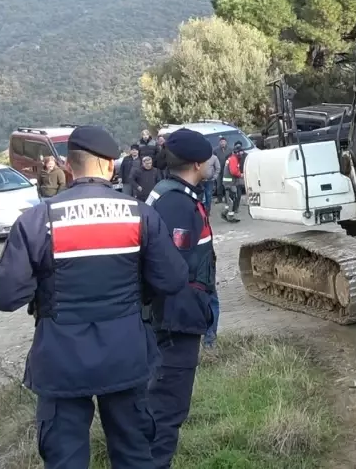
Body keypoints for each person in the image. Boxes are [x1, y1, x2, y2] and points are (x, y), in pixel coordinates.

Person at [0, 125, 189, 469]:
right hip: (126, 355)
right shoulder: (140, 215)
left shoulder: (38, 220)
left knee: (65, 460)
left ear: (68, 165)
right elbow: (173, 279)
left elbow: (4, 296)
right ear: (110, 166)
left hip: (61, 361)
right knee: (135, 456)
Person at [144, 129, 219, 468]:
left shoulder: (169, 193)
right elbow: (171, 268)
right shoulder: (176, 203)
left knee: (161, 408)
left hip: (174, 317)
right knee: (166, 410)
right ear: (197, 164)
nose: (212, 165)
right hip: (174, 322)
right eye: (209, 160)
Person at [222, 142, 247, 223]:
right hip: (230, 183)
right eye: (240, 152)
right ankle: (230, 216)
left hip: (228, 182)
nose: (241, 153)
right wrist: (241, 175)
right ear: (237, 152)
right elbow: (233, 171)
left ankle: (225, 212)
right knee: (234, 198)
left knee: (230, 199)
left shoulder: (232, 158)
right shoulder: (233, 159)